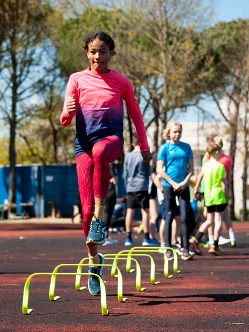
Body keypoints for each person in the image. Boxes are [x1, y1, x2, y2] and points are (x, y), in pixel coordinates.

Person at [60, 31, 152, 295]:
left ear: (111, 53)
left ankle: (102, 218)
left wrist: (144, 147)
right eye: (92, 51)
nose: (97, 56)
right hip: (83, 146)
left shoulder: (121, 82)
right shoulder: (76, 79)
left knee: (101, 152)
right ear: (86, 53)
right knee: (85, 210)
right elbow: (64, 120)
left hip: (112, 140)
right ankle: (94, 260)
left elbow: (135, 113)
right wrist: (68, 110)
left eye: (102, 51)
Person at [157, 122, 194, 261]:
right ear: (169, 133)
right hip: (169, 185)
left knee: (185, 216)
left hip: (183, 186)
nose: (177, 134)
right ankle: (168, 248)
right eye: (174, 132)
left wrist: (183, 183)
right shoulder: (164, 148)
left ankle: (185, 249)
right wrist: (173, 183)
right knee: (169, 215)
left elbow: (191, 169)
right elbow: (160, 169)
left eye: (179, 131)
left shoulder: (186, 147)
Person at [192, 140, 227, 256]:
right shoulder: (220, 166)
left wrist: (196, 188)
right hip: (219, 196)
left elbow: (199, 179)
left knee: (209, 220)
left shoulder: (205, 166)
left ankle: (196, 239)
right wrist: (226, 196)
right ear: (216, 152)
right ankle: (215, 245)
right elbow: (223, 184)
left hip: (208, 197)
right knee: (218, 221)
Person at [123, 135, 157, 246]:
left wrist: (127, 186)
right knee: (145, 211)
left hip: (131, 187)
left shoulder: (128, 156)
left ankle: (128, 238)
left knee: (130, 211)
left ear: (133, 144)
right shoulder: (144, 155)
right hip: (142, 186)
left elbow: (125, 173)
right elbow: (148, 171)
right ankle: (146, 238)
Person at [103, 164, 118, 245]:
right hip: (110, 192)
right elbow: (115, 180)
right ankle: (105, 237)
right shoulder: (110, 165)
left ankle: (101, 236)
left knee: (100, 214)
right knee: (107, 215)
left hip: (101, 192)